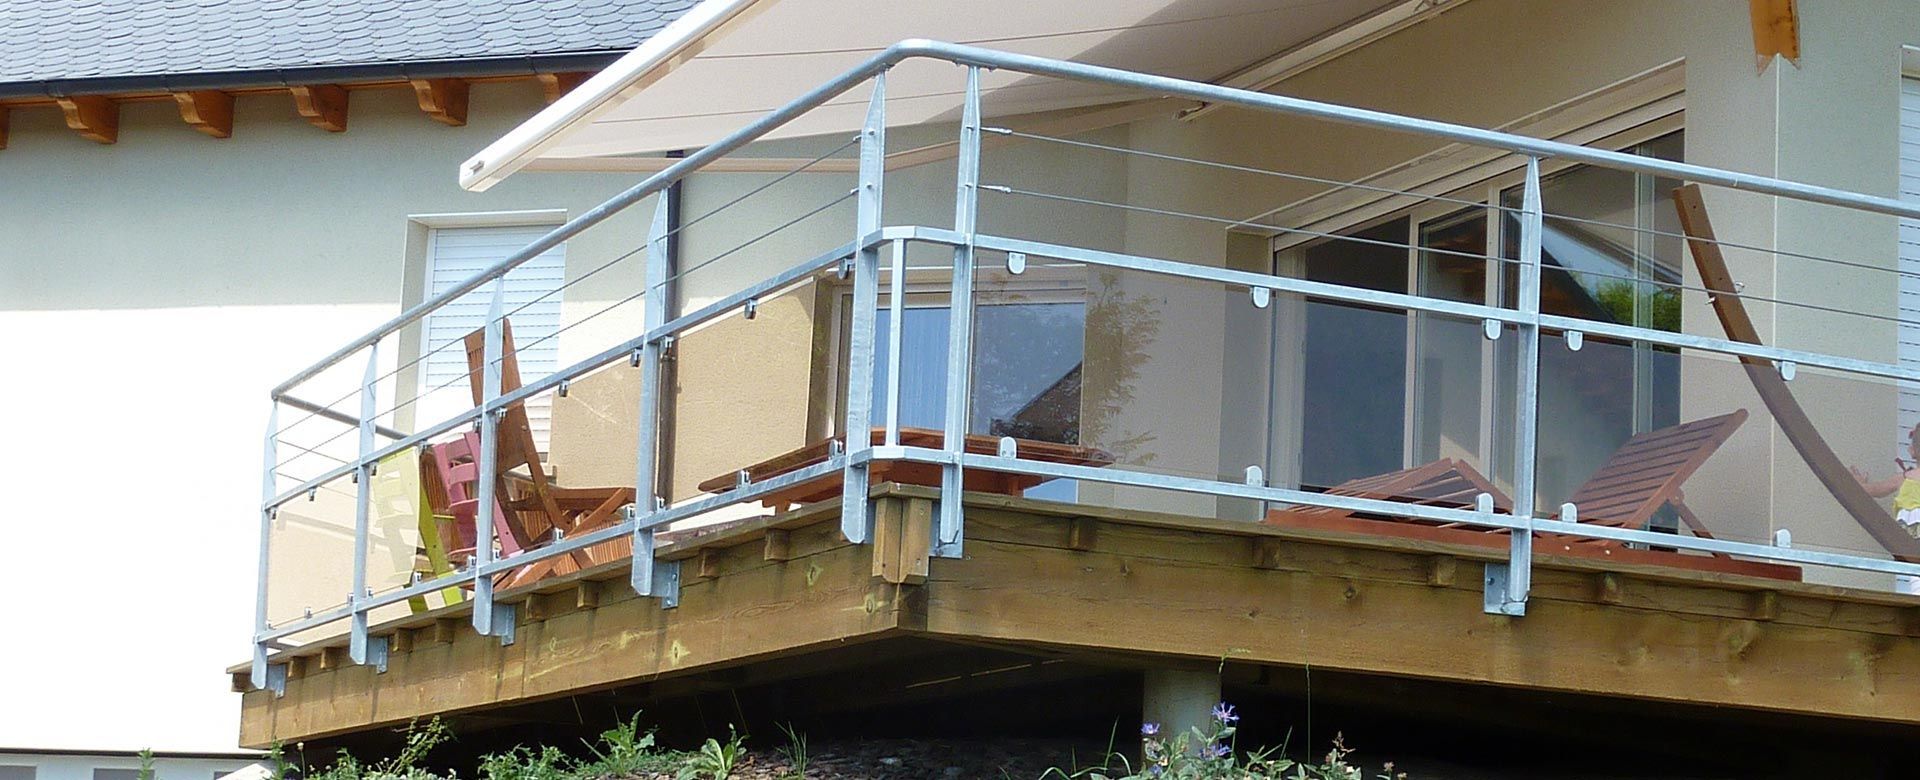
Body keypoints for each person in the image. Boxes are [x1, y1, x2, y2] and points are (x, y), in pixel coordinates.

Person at [1851, 423, 1920, 594]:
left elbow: (1874, 491)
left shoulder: (1904, 478)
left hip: (1911, 534)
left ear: (1912, 451)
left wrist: (1860, 484)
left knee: (1916, 572)